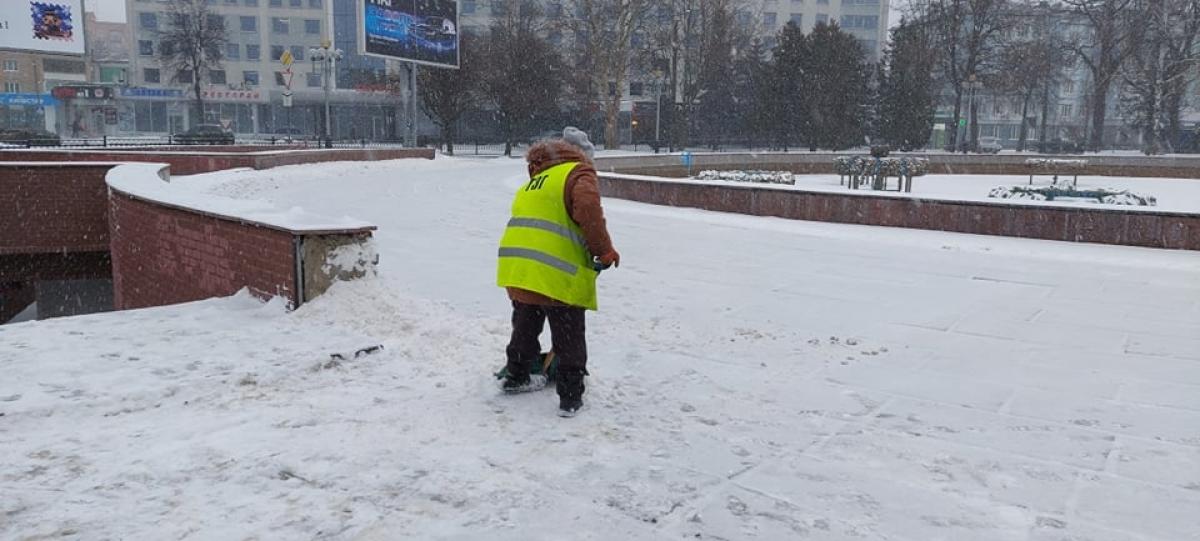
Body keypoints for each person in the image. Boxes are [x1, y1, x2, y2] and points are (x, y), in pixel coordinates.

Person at [496, 127, 619, 417]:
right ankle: (570, 396)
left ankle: (516, 374)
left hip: (519, 267)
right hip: (555, 274)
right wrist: (603, 250)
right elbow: (588, 209)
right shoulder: (578, 173)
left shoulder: (536, 179)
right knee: (569, 332)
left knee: (525, 324)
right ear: (582, 157)